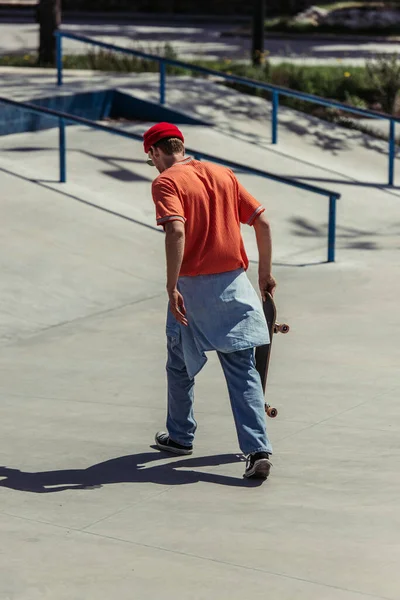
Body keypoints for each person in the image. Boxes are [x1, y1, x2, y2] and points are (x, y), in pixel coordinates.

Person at [143, 122, 277, 480]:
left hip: (192, 292)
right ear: (181, 145)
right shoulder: (222, 174)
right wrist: (264, 275)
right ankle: (257, 450)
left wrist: (171, 286)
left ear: (155, 152)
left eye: (150, 158)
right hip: (235, 287)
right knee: (242, 371)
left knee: (179, 365)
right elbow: (261, 222)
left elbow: (176, 229)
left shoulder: (166, 181)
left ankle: (180, 436)